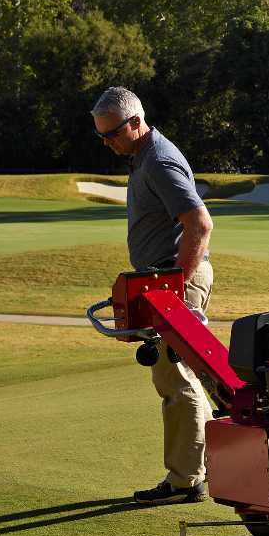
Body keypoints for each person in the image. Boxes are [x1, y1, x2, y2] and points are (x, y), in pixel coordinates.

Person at [90, 86, 215, 504]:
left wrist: (176, 286)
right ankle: (209, 466)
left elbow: (200, 223)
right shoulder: (143, 156)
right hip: (160, 284)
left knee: (177, 379)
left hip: (173, 286)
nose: (107, 143)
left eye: (111, 135)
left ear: (135, 123)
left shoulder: (159, 160)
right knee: (182, 377)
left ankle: (185, 482)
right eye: (102, 136)